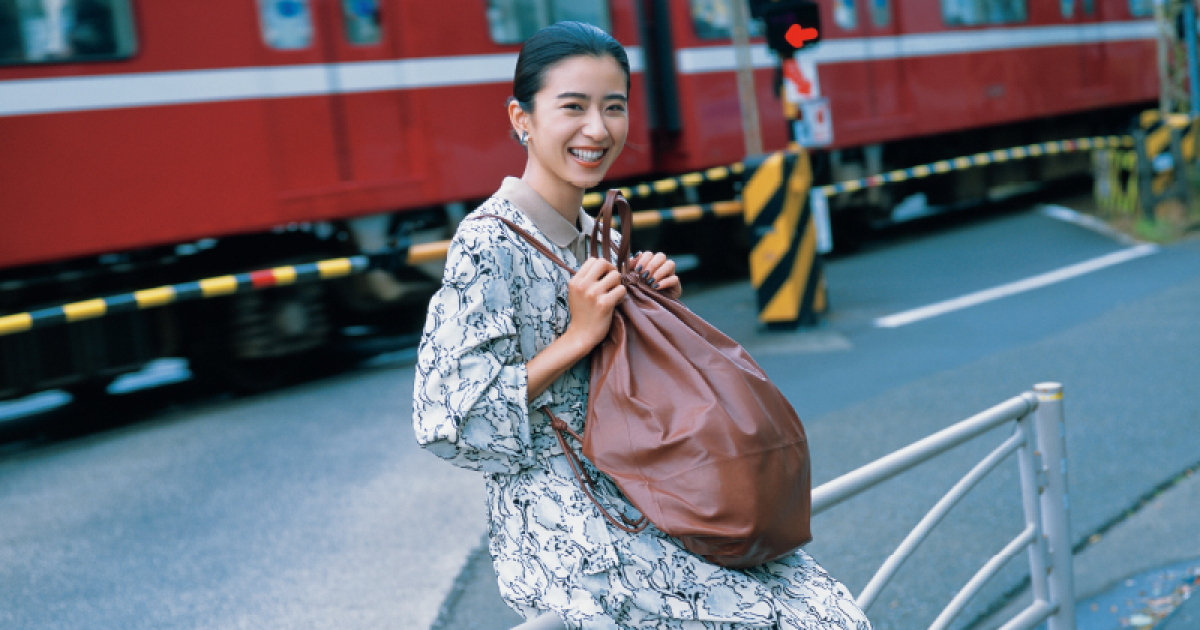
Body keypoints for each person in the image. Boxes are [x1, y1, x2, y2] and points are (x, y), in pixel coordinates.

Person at [413, 21, 871, 630]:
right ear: (521, 118)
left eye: (614, 108)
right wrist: (579, 337)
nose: (597, 130)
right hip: (569, 528)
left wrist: (651, 312)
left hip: (656, 492)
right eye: (572, 107)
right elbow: (447, 419)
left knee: (828, 611)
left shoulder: (598, 235)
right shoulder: (486, 242)